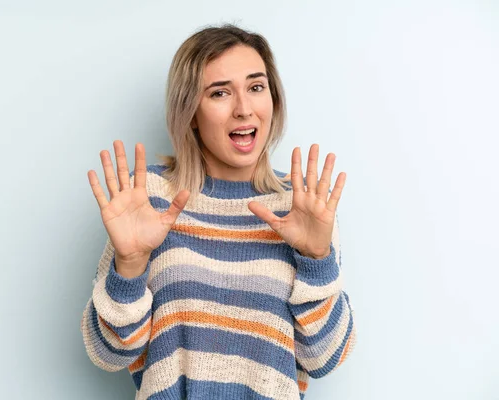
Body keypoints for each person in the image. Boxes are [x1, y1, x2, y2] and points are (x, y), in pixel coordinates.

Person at [81, 23, 356, 400]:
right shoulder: (148, 198)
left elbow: (325, 359)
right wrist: (129, 264)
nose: (244, 109)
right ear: (191, 112)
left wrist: (317, 259)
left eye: (256, 87)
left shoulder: (302, 205)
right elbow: (107, 353)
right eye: (220, 93)